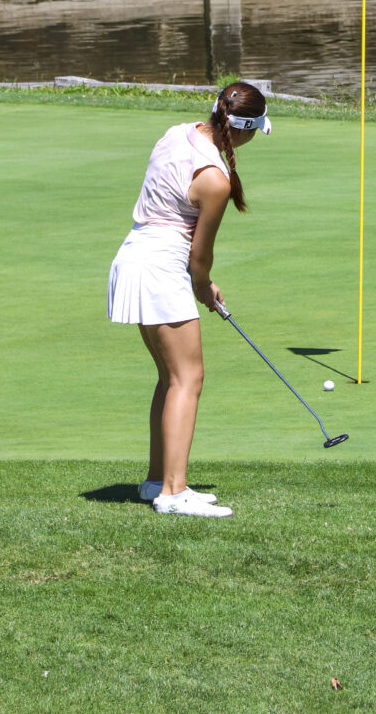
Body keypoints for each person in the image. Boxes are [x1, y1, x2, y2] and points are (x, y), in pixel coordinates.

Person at [106, 82, 272, 518]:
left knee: (171, 377)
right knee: (188, 378)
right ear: (244, 129)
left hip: (135, 258)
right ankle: (174, 494)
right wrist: (203, 285)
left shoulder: (176, 131)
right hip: (161, 268)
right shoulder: (216, 180)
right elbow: (200, 256)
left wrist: (202, 284)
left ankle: (158, 481)